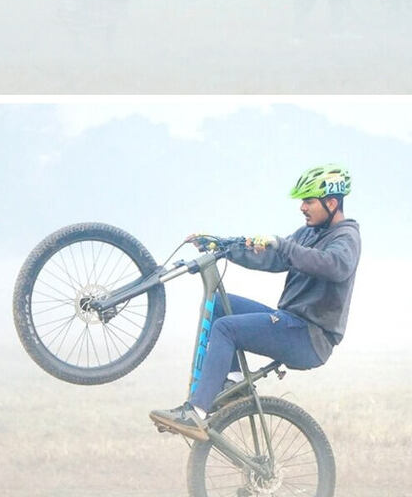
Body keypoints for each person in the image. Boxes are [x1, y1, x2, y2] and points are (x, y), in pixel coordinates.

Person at [149, 164, 361, 441]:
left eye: (308, 201)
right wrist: (223, 247)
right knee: (220, 303)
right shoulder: (309, 233)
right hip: (291, 322)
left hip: (310, 337)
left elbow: (333, 266)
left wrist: (282, 244)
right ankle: (234, 385)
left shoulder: (346, 237)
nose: (302, 207)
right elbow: (273, 258)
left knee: (226, 328)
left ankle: (196, 412)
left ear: (331, 203)